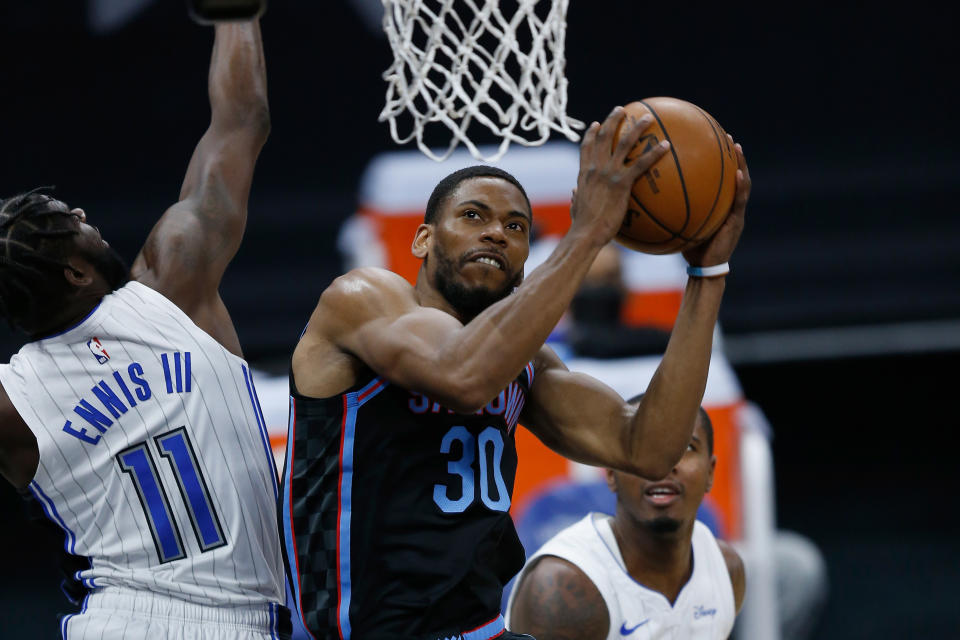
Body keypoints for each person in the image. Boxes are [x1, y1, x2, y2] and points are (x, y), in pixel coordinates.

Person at [282, 108, 750, 640]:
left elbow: (647, 447)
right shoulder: (362, 300)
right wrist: (589, 233)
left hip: (481, 629)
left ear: (527, 261)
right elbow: (461, 378)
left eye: (516, 227)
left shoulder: (524, 362)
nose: (497, 234)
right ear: (422, 241)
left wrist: (707, 274)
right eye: (474, 216)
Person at [0, 19, 288, 640]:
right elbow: (242, 120)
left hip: (117, 622)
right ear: (77, 271)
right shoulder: (175, 282)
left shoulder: (11, 404)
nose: (81, 213)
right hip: (230, 621)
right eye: (67, 221)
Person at [505, 403, 745, 639]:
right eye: (642, 448)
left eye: (686, 447)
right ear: (611, 472)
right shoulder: (563, 587)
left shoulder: (725, 570)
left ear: (711, 472)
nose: (663, 466)